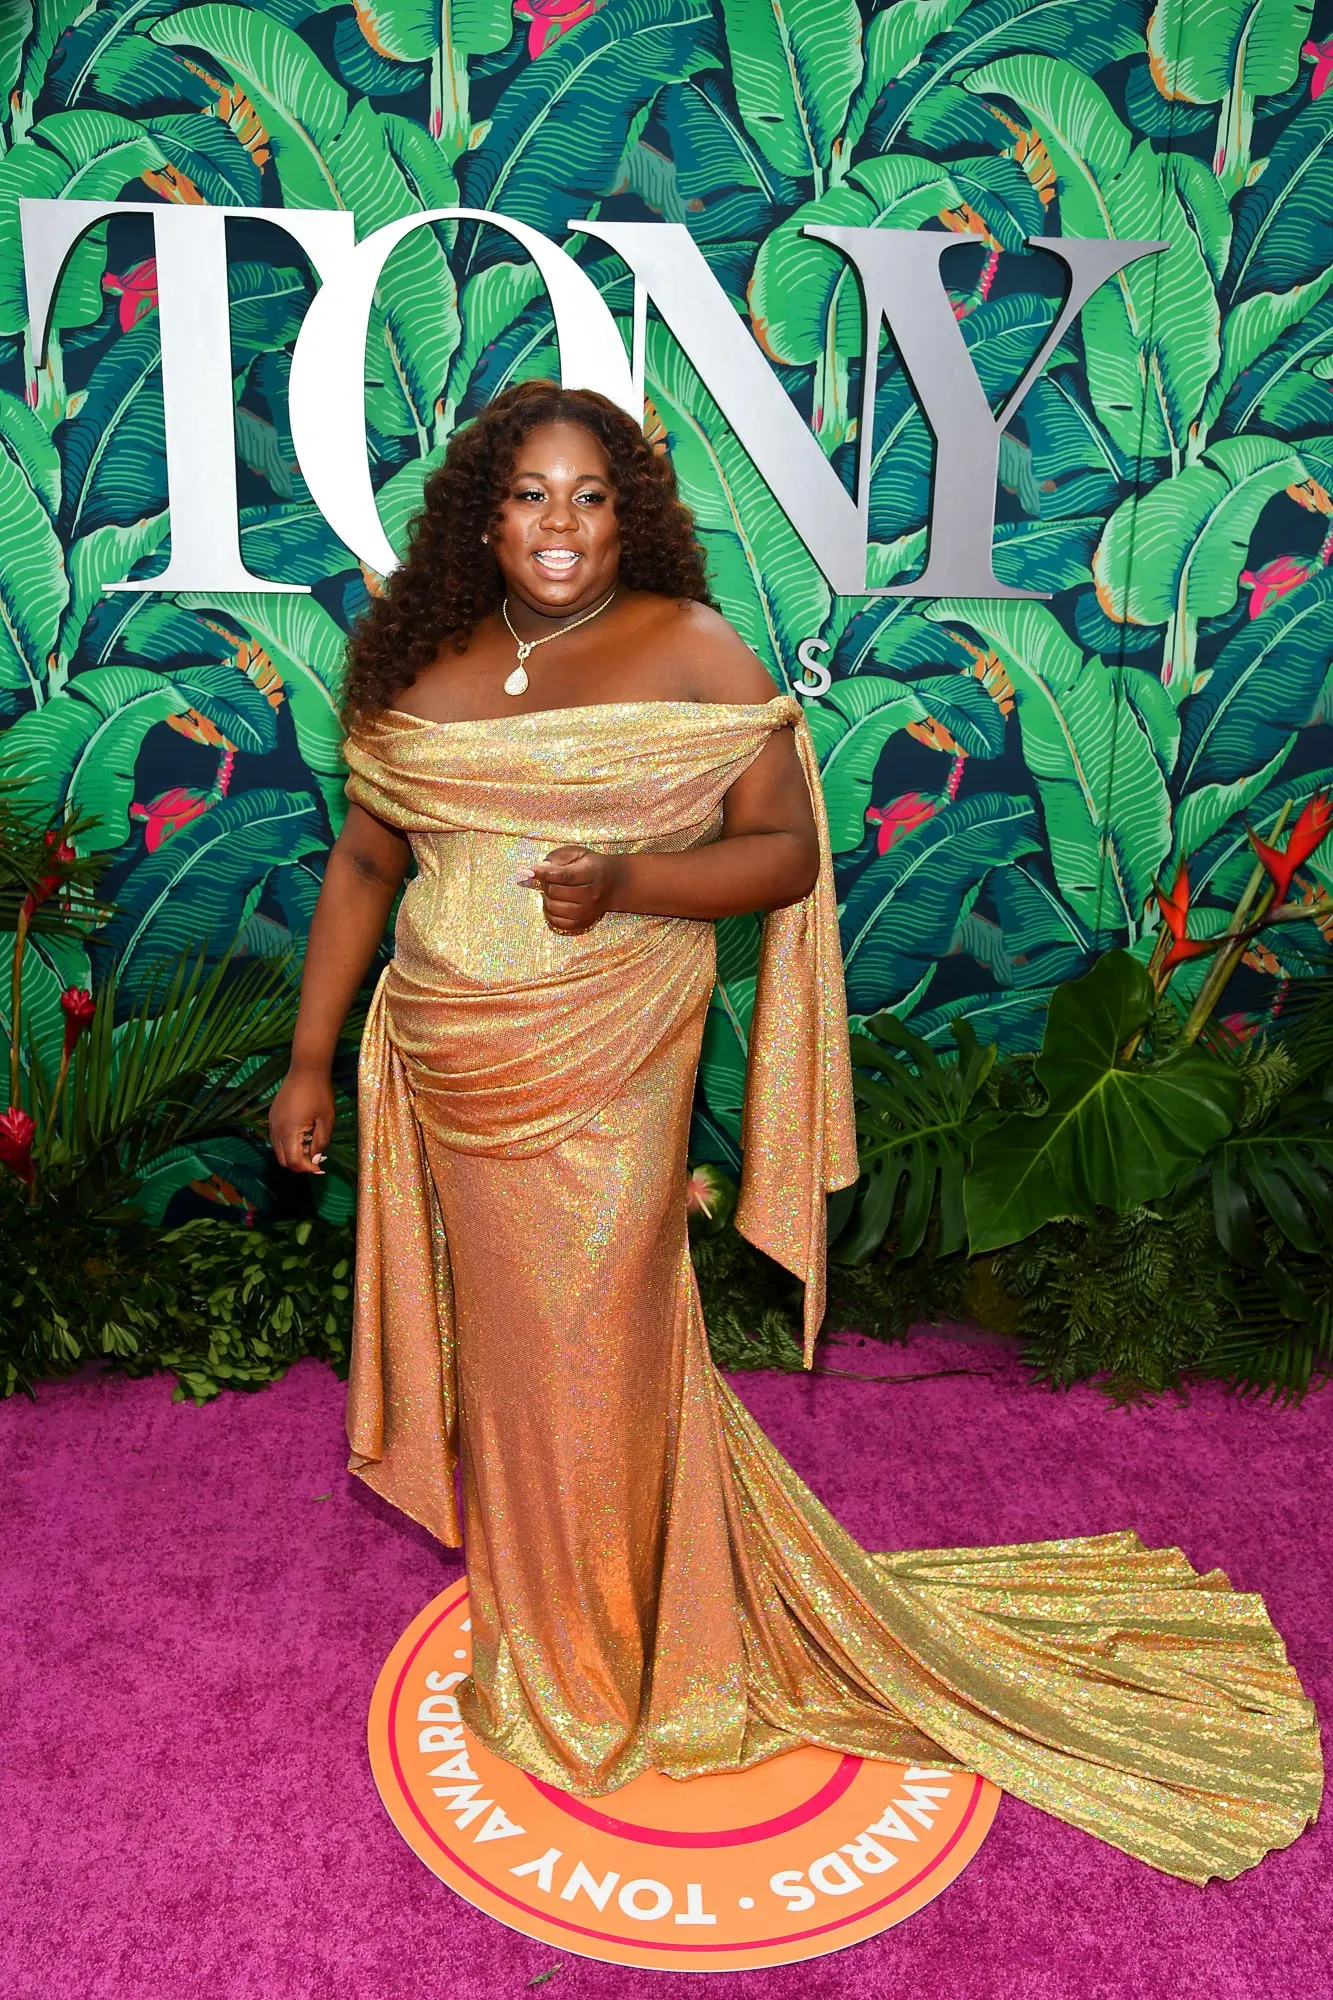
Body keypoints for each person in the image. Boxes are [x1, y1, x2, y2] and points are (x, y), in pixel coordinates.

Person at [270, 380, 1321, 1885]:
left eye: (589, 496)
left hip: (608, 1065)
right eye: (528, 497)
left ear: (628, 510)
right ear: (477, 515)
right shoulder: (417, 659)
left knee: (601, 1338)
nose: (560, 526)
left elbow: (782, 853)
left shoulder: (691, 650)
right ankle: (552, 1625)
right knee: (512, 1354)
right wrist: (310, 1059)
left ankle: (626, 1657)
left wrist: (629, 882)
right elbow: (369, 862)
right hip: (448, 1071)